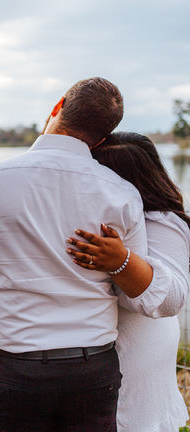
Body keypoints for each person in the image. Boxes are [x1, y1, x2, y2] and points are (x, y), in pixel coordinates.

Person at [0, 77, 148, 431]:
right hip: (92, 373)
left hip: (13, 373)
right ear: (100, 140)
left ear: (58, 105)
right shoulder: (123, 194)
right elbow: (130, 294)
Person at [66, 132, 190, 432]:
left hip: (136, 361)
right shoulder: (91, 222)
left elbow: (171, 298)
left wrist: (120, 261)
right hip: (100, 366)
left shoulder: (161, 222)